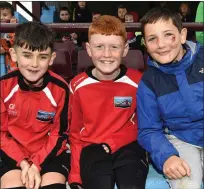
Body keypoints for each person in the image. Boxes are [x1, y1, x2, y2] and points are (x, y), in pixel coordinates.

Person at [68, 15, 148, 189]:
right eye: (99, 47)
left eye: (114, 47)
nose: (106, 55)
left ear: (125, 49)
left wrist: (112, 143)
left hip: (128, 146)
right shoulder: (77, 85)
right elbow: (75, 133)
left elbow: (144, 125)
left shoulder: (138, 81)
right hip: (92, 148)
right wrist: (75, 175)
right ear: (88, 49)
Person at [137, 7, 203, 189]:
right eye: (152, 39)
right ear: (145, 44)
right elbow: (148, 130)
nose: (161, 44)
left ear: (182, 35)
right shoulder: (148, 82)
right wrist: (166, 156)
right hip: (179, 139)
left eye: (168, 35)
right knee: (187, 185)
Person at [0, 22, 70, 189]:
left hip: (50, 154)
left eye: (42, 57)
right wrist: (24, 163)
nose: (34, 64)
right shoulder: (3, 86)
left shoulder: (60, 89)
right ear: (13, 55)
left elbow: (59, 135)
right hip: (14, 154)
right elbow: (1, 134)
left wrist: (36, 164)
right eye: (27, 55)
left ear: (52, 58)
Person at [0, 1, 18, 74]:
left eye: (5, 15)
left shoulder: (15, 28)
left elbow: (15, 43)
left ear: (12, 17)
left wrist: (12, 28)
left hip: (11, 59)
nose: (1, 18)